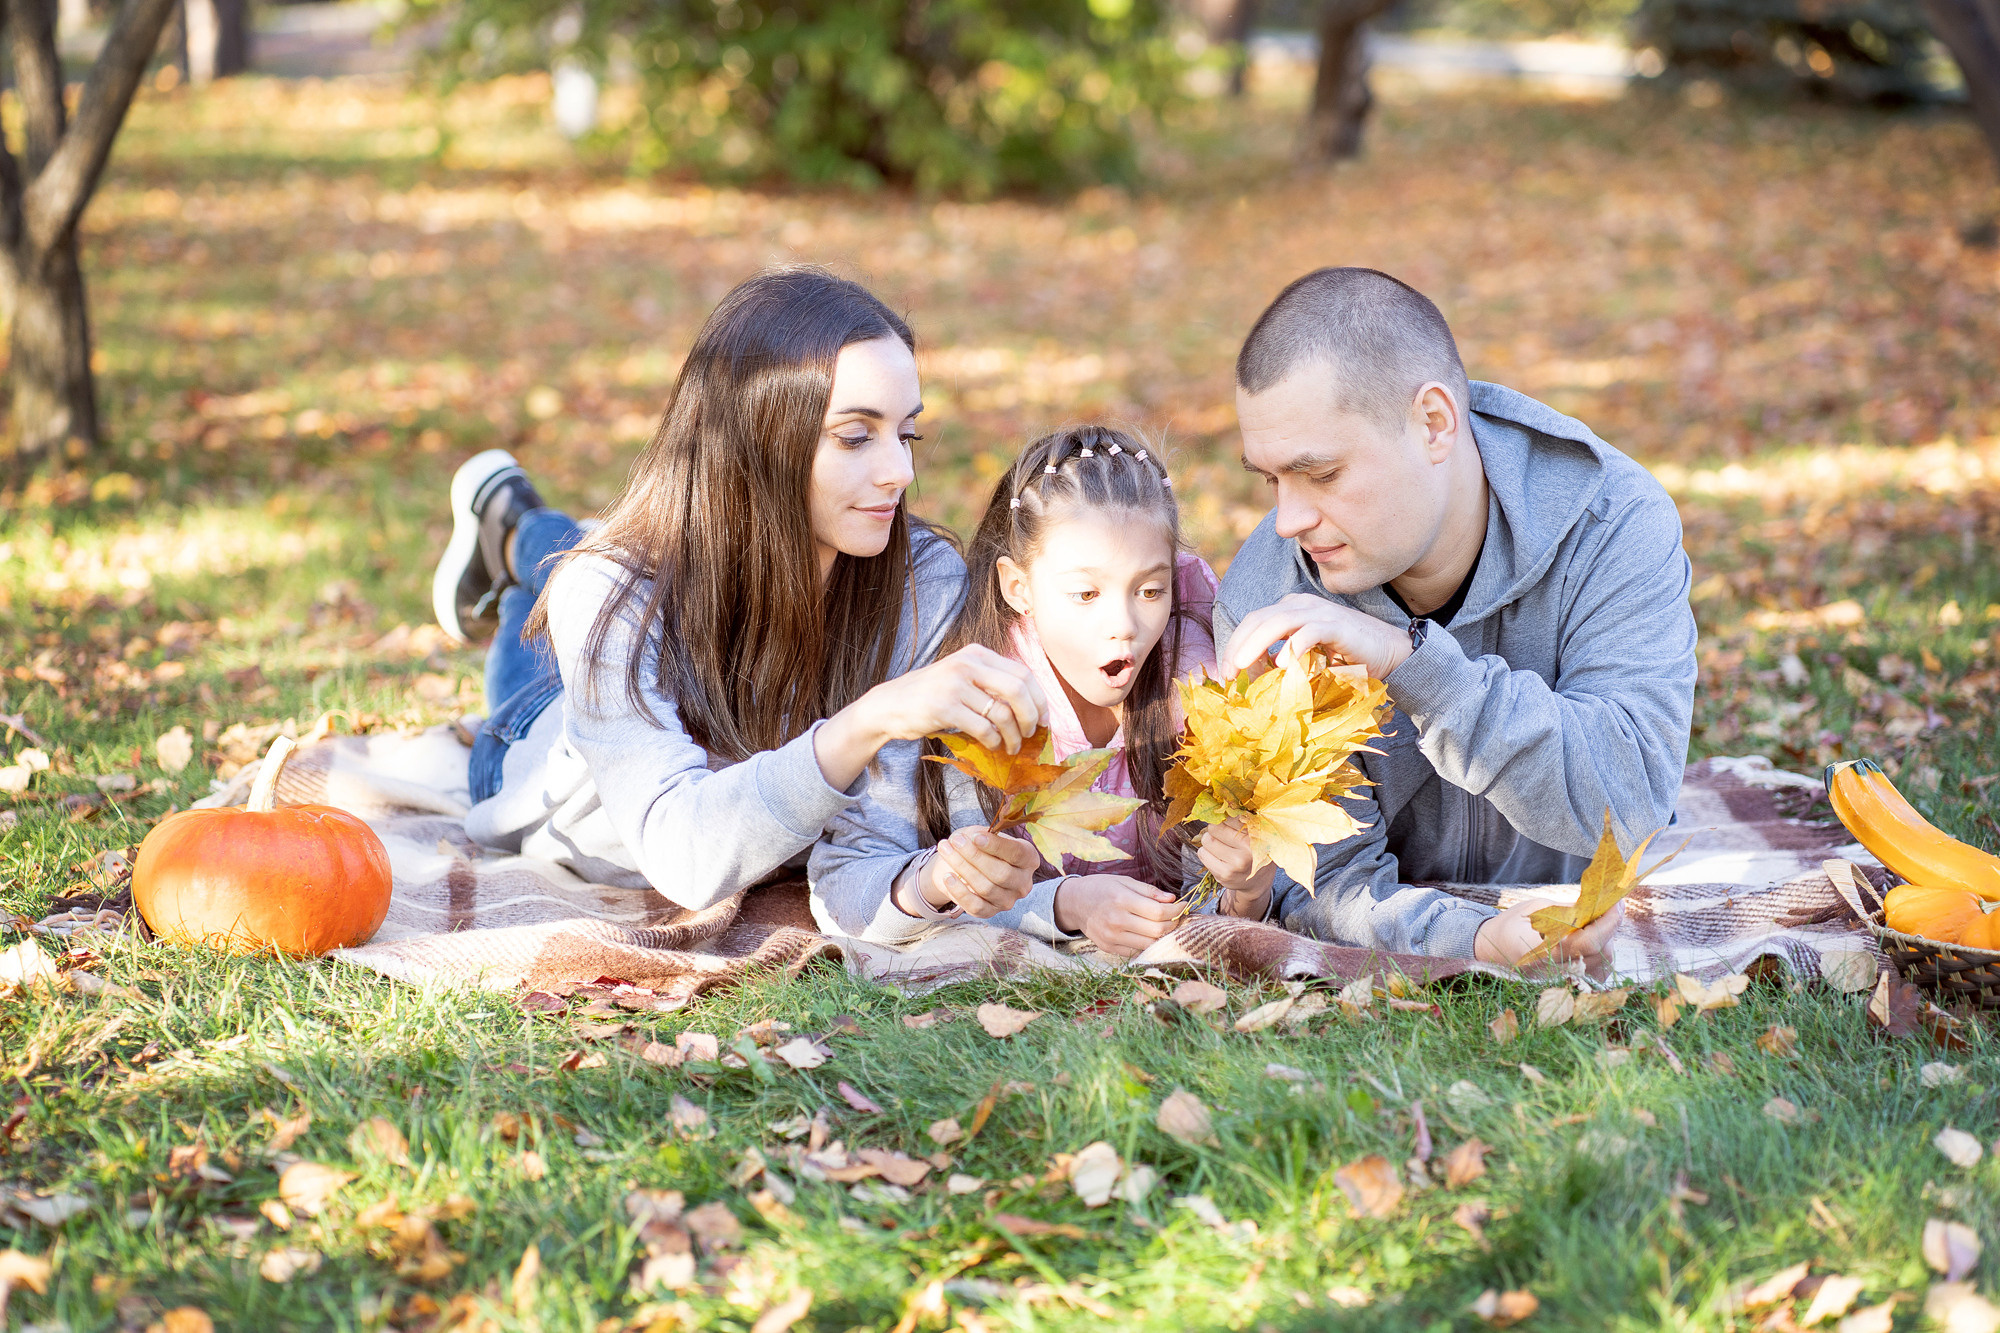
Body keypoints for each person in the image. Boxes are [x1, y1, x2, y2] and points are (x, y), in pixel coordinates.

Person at [429, 267, 1051, 909]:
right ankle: (513, 523)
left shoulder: (922, 579)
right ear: (759, 437)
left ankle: (534, 533)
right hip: (536, 744)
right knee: (558, 583)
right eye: (856, 437)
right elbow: (684, 858)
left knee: (583, 573)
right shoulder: (609, 593)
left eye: (906, 433)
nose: (900, 471)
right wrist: (869, 719)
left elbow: (886, 845)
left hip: (654, 597)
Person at [1210, 267, 1697, 969]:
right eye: (1270, 479)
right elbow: (1326, 883)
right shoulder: (1266, 601)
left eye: (1320, 475)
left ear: (1434, 422)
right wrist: (1471, 938)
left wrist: (1415, 671)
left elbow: (1630, 807)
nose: (1288, 519)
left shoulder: (1611, 522)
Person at [811, 425, 1265, 957]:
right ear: (1018, 587)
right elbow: (852, 888)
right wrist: (1066, 904)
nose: (1122, 624)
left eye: (1150, 590)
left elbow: (1253, 883)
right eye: (1085, 593)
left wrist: (1249, 890)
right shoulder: (970, 699)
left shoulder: (1205, 681)